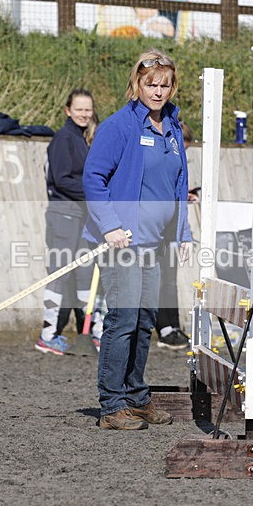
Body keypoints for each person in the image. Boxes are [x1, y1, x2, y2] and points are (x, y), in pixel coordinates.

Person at [83, 49, 192, 430]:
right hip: (123, 243)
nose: (158, 91)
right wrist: (110, 225)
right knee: (123, 320)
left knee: (145, 321)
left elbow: (178, 185)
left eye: (165, 85)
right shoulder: (119, 126)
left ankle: (136, 396)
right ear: (137, 84)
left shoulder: (174, 128)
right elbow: (93, 177)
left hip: (156, 245)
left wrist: (183, 233)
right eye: (151, 84)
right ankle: (112, 406)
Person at [37, 89, 99, 355]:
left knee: (85, 272)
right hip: (64, 216)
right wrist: (96, 194)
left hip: (82, 216)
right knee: (60, 274)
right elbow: (62, 179)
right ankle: (47, 335)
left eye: (88, 110)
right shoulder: (63, 138)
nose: (84, 114)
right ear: (68, 110)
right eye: (79, 109)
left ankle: (93, 331)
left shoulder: (81, 138)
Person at [155, 120, 195, 350]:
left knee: (170, 280)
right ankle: (164, 328)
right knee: (160, 280)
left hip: (171, 229)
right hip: (157, 231)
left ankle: (174, 325)